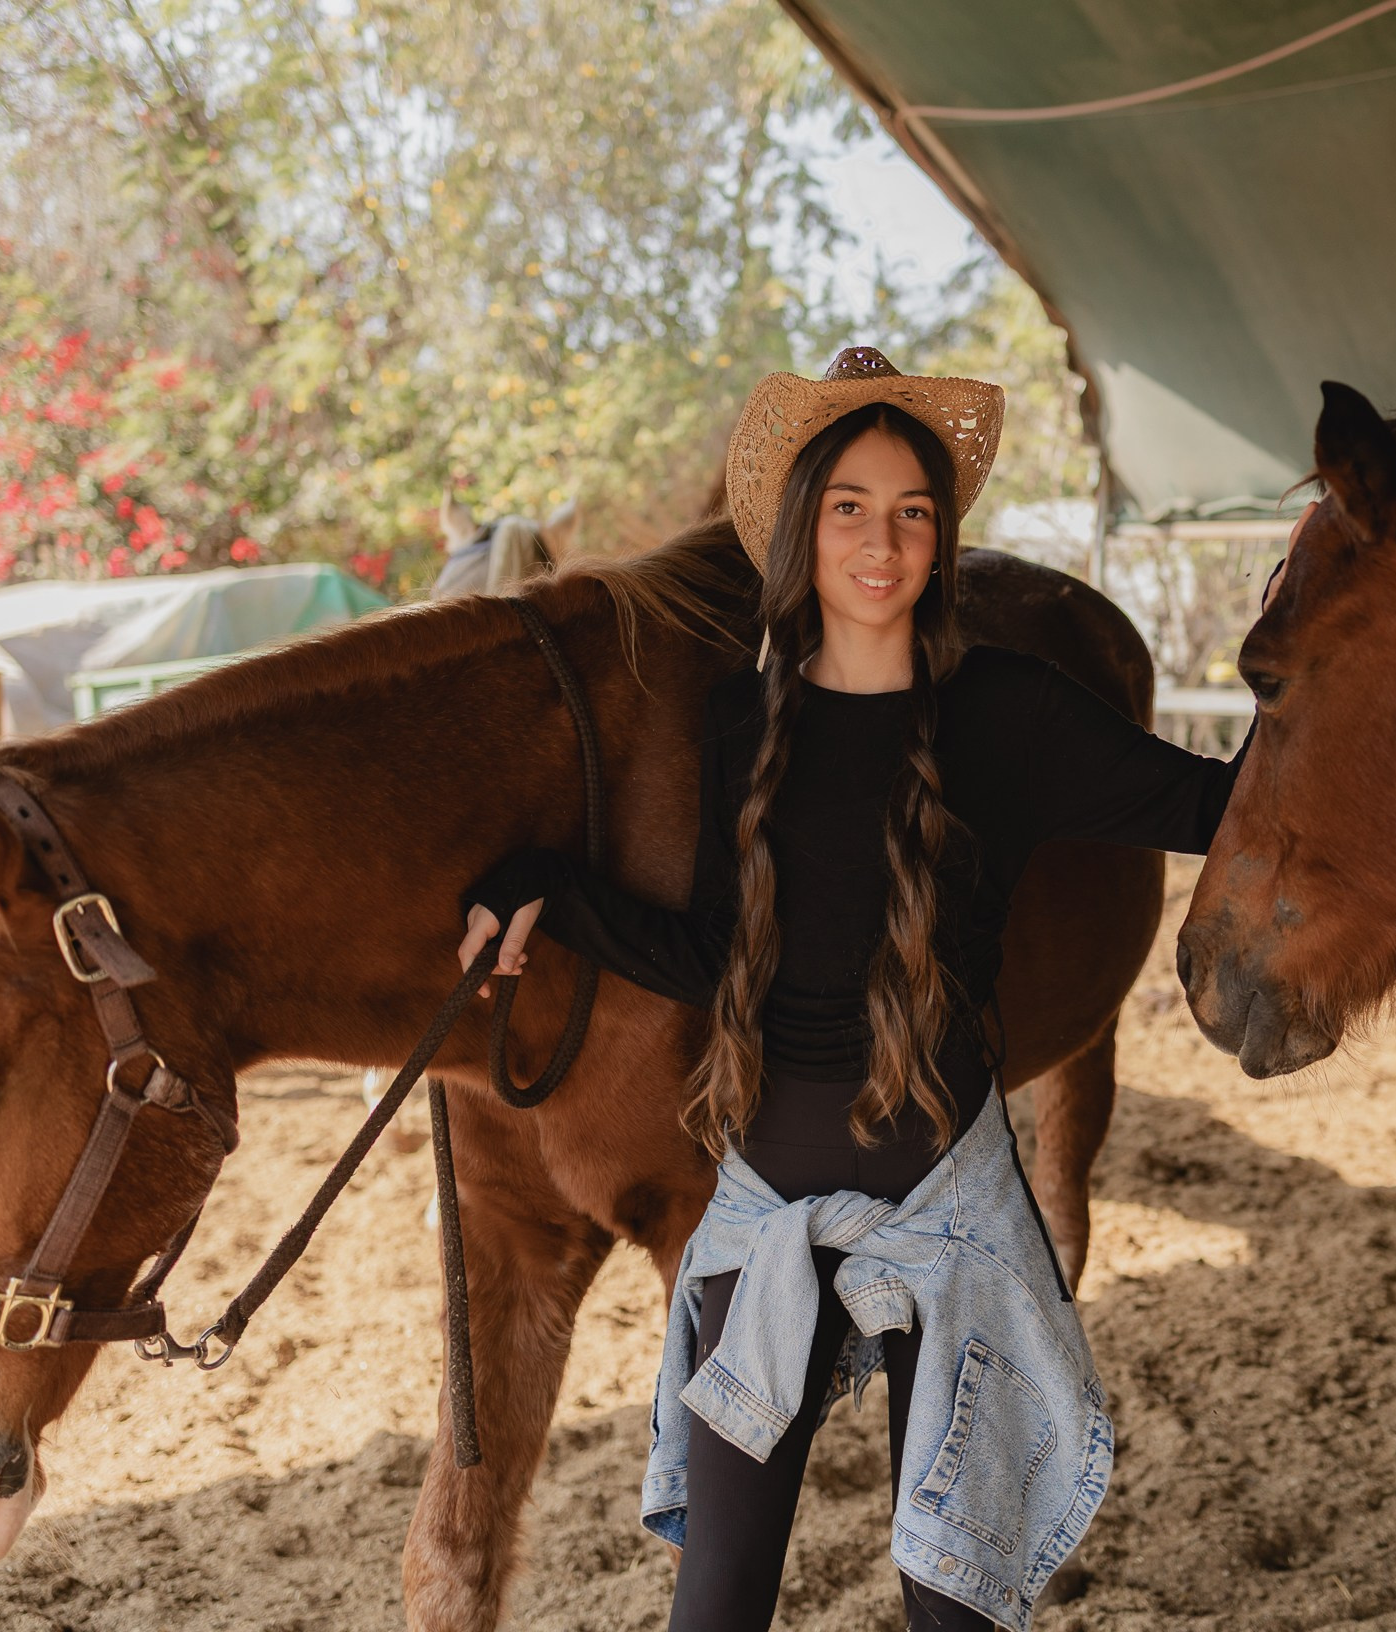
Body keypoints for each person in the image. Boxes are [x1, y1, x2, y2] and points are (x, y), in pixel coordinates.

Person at [458, 347, 1248, 1632]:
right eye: (850, 508)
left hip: (950, 1221)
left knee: (955, 1605)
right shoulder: (742, 721)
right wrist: (556, 886)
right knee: (712, 1610)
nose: (882, 542)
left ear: (940, 538)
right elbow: (723, 960)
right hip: (764, 1219)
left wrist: (1322, 682)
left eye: (914, 512)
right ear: (799, 528)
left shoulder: (1009, 711)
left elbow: (1215, 804)